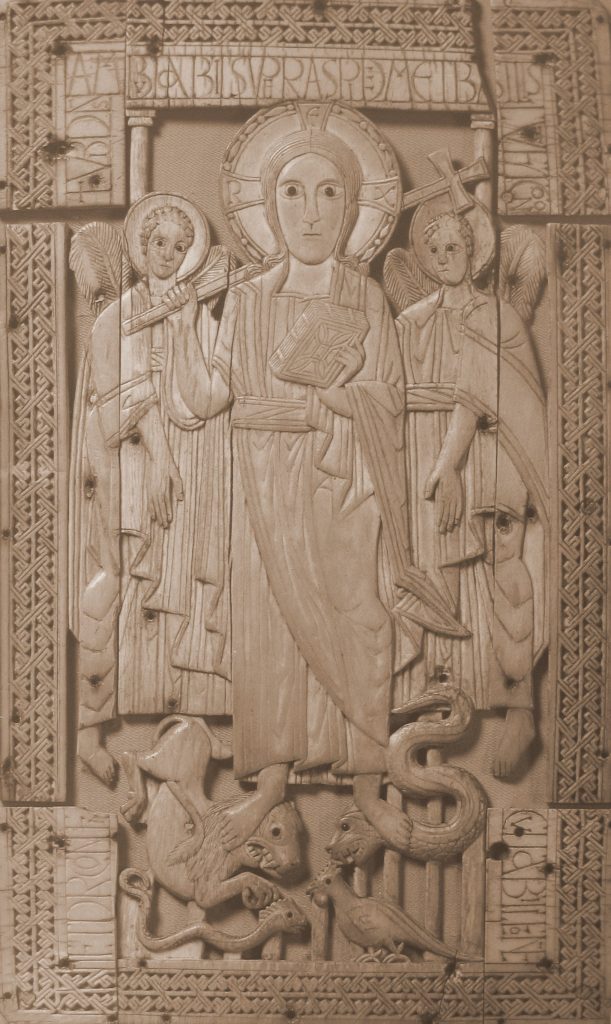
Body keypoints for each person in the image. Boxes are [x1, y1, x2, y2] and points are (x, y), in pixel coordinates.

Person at [164, 123, 459, 850]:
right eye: (291, 194)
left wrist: (335, 399)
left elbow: (388, 394)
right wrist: (180, 327)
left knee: (359, 619)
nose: (311, 211)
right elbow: (208, 399)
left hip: (345, 483)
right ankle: (268, 780)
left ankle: (366, 775)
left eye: (330, 194)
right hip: (263, 486)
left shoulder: (363, 299)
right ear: (270, 207)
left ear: (353, 208)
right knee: (268, 629)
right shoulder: (247, 297)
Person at [71, 195, 230, 782]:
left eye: (180, 246)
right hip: (122, 465)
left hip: (180, 467)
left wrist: (187, 323)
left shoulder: (189, 311)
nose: (168, 254)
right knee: (108, 584)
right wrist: (161, 459)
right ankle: (91, 727)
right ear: (140, 248)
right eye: (158, 242)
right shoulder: (117, 317)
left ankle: (177, 718)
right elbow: (122, 403)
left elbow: (211, 397)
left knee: (174, 594)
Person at [395, 198, 548, 778]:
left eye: (453, 246)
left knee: (503, 567)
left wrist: (451, 463)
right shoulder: (410, 321)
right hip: (425, 457)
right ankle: (433, 701)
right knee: (429, 575)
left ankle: (519, 706)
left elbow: (512, 395)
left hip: (490, 452)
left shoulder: (501, 317)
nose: (443, 258)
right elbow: (391, 388)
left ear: (475, 252)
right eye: (432, 250)